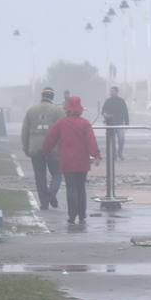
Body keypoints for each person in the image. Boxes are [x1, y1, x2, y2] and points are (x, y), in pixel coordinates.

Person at [43, 94, 101, 226]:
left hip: (67, 161)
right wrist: (96, 155)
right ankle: (82, 215)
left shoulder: (61, 123)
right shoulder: (85, 124)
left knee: (71, 188)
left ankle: (72, 216)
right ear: (80, 109)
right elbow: (91, 141)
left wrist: (46, 151)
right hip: (82, 161)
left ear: (67, 109)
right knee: (81, 188)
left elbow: (50, 139)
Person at [21, 87, 64, 208]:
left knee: (40, 176)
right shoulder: (59, 111)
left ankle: (44, 203)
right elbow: (63, 131)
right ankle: (51, 193)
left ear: (42, 96)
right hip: (54, 148)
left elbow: (25, 131)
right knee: (57, 173)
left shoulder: (31, 111)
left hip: (35, 148)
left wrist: (25, 146)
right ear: (52, 97)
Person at [100, 86, 130, 160]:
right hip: (111, 123)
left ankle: (120, 153)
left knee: (121, 139)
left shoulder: (121, 101)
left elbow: (125, 111)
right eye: (110, 91)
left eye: (112, 91)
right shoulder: (108, 101)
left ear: (116, 92)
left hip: (120, 122)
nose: (111, 93)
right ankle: (114, 155)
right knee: (112, 140)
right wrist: (105, 115)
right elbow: (103, 111)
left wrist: (127, 123)